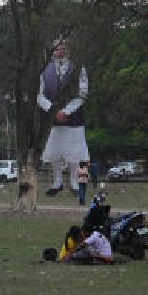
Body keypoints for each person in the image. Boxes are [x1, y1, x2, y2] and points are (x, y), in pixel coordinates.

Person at [38, 38, 89, 197]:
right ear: (52, 52)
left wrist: (66, 111)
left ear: (68, 51)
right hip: (51, 118)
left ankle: (75, 183)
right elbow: (38, 95)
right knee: (54, 150)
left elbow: (82, 93)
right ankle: (57, 182)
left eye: (63, 50)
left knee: (75, 151)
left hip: (73, 117)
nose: (60, 53)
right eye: (57, 50)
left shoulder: (79, 69)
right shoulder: (44, 70)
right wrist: (53, 111)